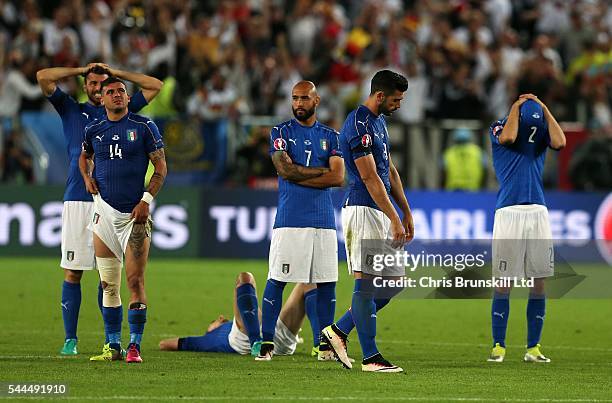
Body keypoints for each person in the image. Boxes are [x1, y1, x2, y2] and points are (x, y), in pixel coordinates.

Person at [36, 63, 162, 356]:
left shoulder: (123, 108)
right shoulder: (71, 109)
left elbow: (154, 85)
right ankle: (71, 339)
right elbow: (43, 77)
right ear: (86, 87)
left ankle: (113, 341)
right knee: (74, 271)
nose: (99, 88)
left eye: (105, 84)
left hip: (117, 203)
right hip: (79, 199)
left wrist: (116, 72)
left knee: (114, 277)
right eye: (93, 83)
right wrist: (82, 68)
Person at [322, 70, 414, 373]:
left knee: (393, 284)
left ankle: (337, 331)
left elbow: (390, 171)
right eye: (396, 99)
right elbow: (369, 176)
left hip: (381, 211)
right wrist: (393, 216)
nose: (399, 104)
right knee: (367, 282)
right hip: (363, 209)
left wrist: (406, 211)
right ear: (380, 95)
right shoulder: (358, 123)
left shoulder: (380, 123)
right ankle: (371, 357)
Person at [79, 77, 167, 363]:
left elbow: (161, 168)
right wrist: (86, 176)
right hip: (103, 212)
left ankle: (135, 346)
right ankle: (113, 346)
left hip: (134, 216)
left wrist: (146, 200)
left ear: (128, 99)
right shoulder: (94, 129)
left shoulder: (143, 127)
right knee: (108, 284)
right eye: (110, 92)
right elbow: (84, 157)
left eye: (121, 91)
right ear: (100, 99)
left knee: (135, 280)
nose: (117, 95)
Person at [255, 81, 345, 361]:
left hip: (324, 221)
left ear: (316, 100)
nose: (298, 104)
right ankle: (267, 343)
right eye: (294, 98)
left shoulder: (332, 136)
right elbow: (284, 170)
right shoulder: (280, 132)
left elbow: (338, 177)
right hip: (290, 219)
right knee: (278, 279)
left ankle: (325, 346)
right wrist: (320, 173)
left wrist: (300, 172)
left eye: (304, 98)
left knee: (327, 282)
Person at [487, 94, 566, 363]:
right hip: (509, 211)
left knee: (539, 282)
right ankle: (499, 346)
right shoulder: (498, 127)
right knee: (504, 282)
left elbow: (561, 142)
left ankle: (533, 348)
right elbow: (508, 138)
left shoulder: (540, 132)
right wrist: (516, 107)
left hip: (538, 211)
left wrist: (544, 108)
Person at [159, 272, 313, 356]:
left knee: (309, 281)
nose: (220, 318)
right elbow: (166, 344)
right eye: (215, 320)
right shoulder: (207, 339)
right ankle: (256, 344)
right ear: (209, 329)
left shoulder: (207, 341)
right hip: (247, 341)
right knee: (244, 278)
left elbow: (165, 344)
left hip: (270, 337)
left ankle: (322, 345)